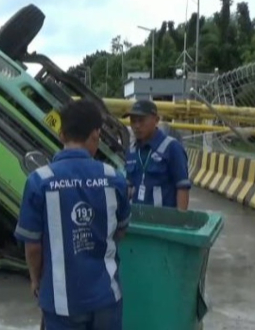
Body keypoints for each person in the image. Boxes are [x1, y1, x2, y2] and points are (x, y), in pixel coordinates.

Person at [14, 99, 131, 330]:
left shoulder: (40, 181)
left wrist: (36, 280)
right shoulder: (114, 178)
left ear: (61, 134)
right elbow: (122, 229)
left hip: (61, 302)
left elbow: (33, 246)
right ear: (96, 134)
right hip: (106, 297)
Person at [124, 99, 191, 210]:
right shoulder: (132, 151)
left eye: (141, 120)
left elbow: (182, 187)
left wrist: (180, 222)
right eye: (133, 121)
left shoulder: (172, 148)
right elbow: (129, 187)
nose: (136, 126)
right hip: (138, 218)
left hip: (163, 222)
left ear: (156, 120)